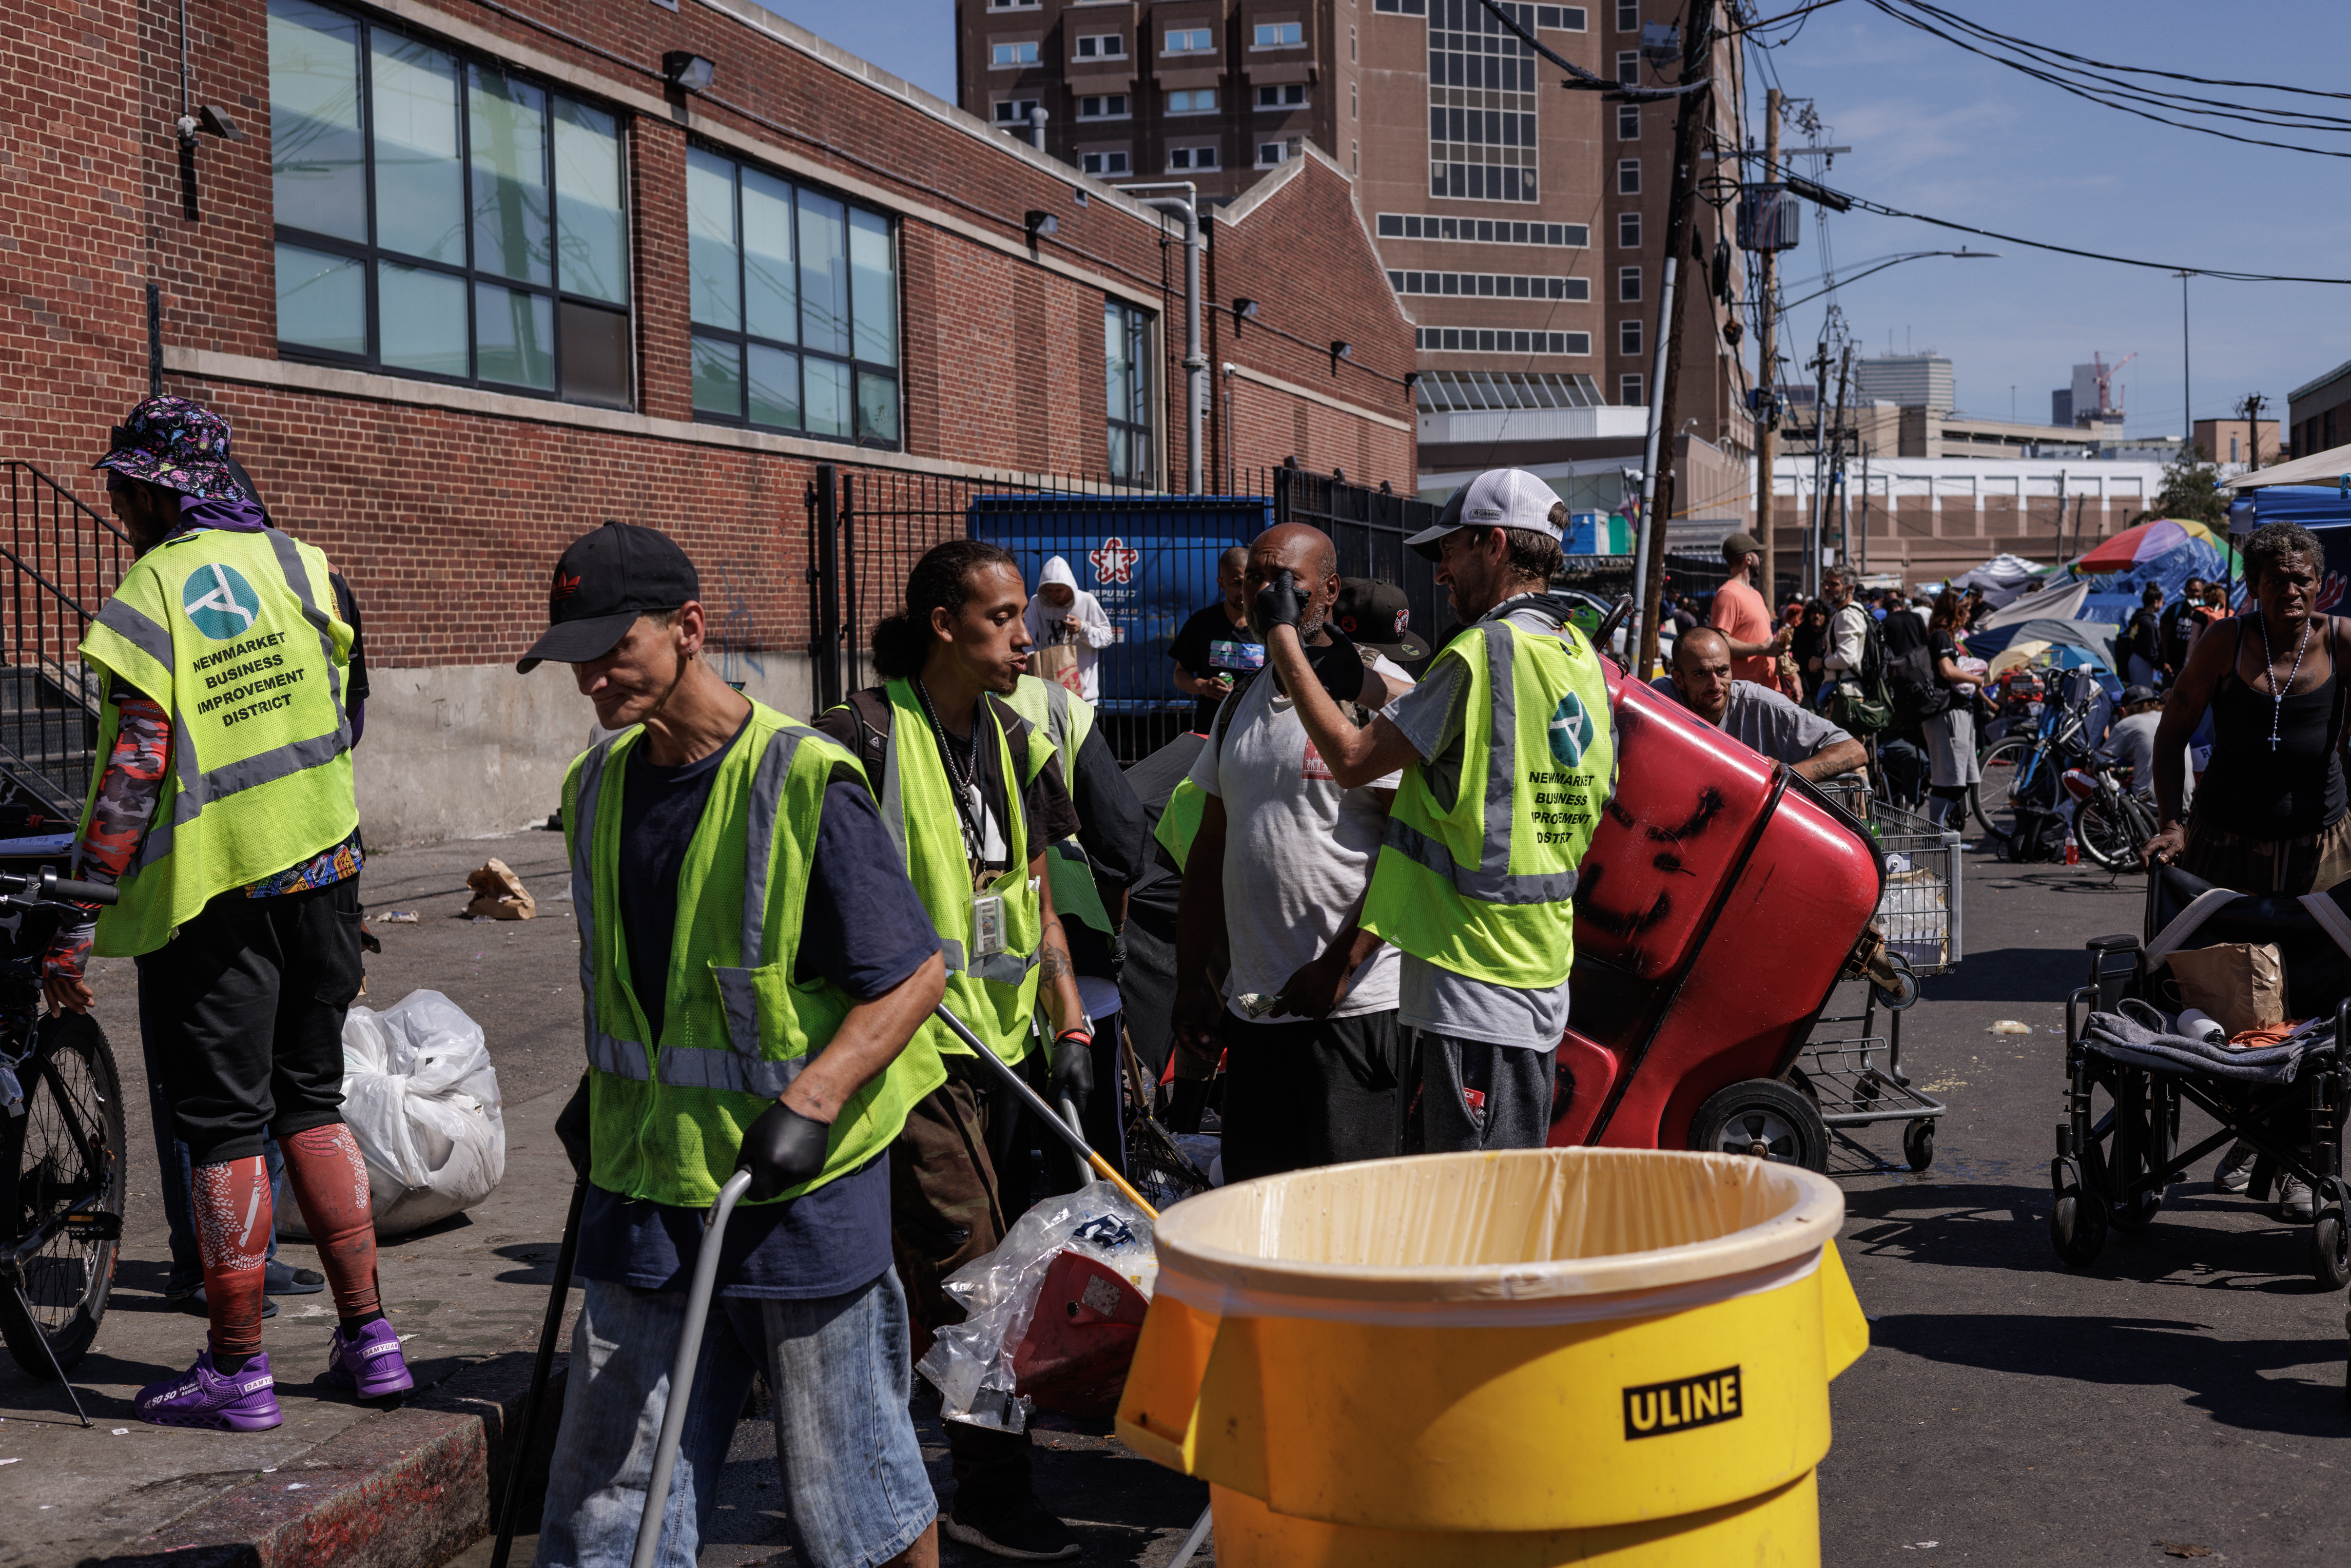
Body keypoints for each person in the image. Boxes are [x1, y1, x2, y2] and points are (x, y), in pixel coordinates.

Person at [521, 521, 944, 1568]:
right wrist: (607, 1088)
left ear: (688, 630)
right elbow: (648, 984)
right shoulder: (596, 791)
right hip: (646, 1182)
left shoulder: (805, 780)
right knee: (606, 1502)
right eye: (572, 658)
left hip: (794, 1193)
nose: (588, 682)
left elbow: (911, 975)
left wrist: (812, 1100)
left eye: (609, 652)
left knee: (851, 1489)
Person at [41, 397, 394, 1431]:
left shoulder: (149, 593)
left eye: (122, 483)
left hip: (219, 898)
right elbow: (349, 708)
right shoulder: (306, 566)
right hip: (325, 876)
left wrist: (81, 906)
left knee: (229, 1127)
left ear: (157, 488)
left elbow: (136, 770)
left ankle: (237, 1365)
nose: (114, 498)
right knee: (312, 1106)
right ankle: (370, 1340)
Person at [815, 540, 1093, 1561]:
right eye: (1003, 618)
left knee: (957, 1275)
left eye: (1025, 617)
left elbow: (1036, 902)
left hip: (1002, 1054)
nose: (1028, 637)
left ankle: (883, 1472)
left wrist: (1067, 1022)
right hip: (908, 1055)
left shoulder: (1018, 742)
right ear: (944, 622)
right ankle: (989, 1487)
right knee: (981, 1278)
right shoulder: (857, 735)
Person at [1257, 468, 1616, 1153]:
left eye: (1449, 550)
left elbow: (1356, 757)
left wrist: (1281, 639)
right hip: (1530, 969)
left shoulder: (1482, 652)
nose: (1441, 572)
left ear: (1495, 543)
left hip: (1474, 987)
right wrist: (1345, 672)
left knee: (1476, 1211)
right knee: (1498, 1199)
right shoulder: (1574, 653)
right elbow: (1453, 730)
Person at [1173, 529, 1417, 1182]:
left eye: (1284, 578)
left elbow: (1409, 850)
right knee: (1263, 1211)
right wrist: (1191, 979)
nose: (1264, 592)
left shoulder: (1378, 692)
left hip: (1354, 1008)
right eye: (1254, 577)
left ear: (1330, 592)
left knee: (1356, 1218)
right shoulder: (1237, 708)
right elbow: (1210, 847)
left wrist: (1341, 964)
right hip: (1255, 1010)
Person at [2143, 523, 2351, 1219]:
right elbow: (2171, 731)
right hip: (2222, 850)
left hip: (2317, 852)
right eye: (2275, 580)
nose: (2290, 590)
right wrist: (2172, 821)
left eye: (2301, 579)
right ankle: (2257, 1129)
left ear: (2317, 583)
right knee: (2233, 1004)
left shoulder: (2342, 641)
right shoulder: (2223, 644)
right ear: (2254, 586)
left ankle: (2302, 1156)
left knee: (2319, 1006)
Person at [1000, 667, 1145, 1201]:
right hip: (1076, 947)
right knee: (1094, 1160)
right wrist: (1114, 922)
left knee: (1006, 1175)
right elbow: (1122, 829)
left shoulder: (910, 714)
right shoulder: (1056, 704)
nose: (1022, 638)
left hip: (988, 985)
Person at [1659, 628, 1866, 782]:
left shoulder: (1759, 704)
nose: (1716, 685)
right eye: (1701, 674)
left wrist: (1783, 776)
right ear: (1678, 679)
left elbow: (1854, 749)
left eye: (1723, 671)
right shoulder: (1661, 699)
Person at [1169, 545, 1258, 734]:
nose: (1243, 591)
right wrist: (1204, 686)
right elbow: (1180, 675)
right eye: (1236, 583)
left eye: (1249, 581)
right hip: (1211, 732)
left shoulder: (1268, 626)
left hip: (1256, 731)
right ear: (1221, 583)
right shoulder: (1202, 623)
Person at [1921, 588, 1984, 828]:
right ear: (1955, 611)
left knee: (1962, 779)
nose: (1969, 615)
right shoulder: (1941, 637)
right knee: (1949, 779)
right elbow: (1947, 670)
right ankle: (1935, 833)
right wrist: (1976, 679)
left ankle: (1942, 833)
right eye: (1965, 610)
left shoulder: (1947, 637)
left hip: (1957, 714)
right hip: (1948, 715)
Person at [1022, 554, 1114, 701]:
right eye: (1049, 590)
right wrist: (1033, 661)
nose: (1054, 595)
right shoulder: (1036, 603)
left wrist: (1083, 628)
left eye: (1059, 590)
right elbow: (1028, 638)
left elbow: (1107, 637)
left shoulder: (1086, 601)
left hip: (1083, 694)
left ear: (1069, 586)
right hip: (1047, 690)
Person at [1708, 531, 1790, 686]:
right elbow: (1720, 643)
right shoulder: (1728, 594)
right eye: (1757, 554)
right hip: (1747, 692)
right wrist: (1763, 649)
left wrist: (1791, 675)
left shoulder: (1756, 594)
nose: (1760, 559)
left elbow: (1761, 637)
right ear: (1748, 558)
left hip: (1768, 687)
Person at [2105, 685, 2189, 805]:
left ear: (2123, 711)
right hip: (2184, 801)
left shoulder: (2128, 723)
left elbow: (2100, 763)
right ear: (2155, 703)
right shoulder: (2175, 719)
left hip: (2149, 802)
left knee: (2072, 777)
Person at [2161, 577, 2207, 684]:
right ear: (2185, 591)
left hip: (2196, 667)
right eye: (2191, 590)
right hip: (2174, 668)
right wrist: (2164, 662)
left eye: (2197, 591)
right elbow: (2163, 637)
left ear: (2202, 592)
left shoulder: (2206, 613)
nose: (2194, 594)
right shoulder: (2175, 609)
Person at [2122, 583, 2165, 689]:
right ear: (2156, 602)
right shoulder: (2148, 623)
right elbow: (2151, 649)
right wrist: (2161, 665)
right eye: (2162, 602)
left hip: (2136, 660)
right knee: (2144, 694)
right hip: (2142, 664)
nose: (2163, 605)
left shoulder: (2139, 619)